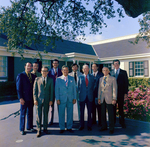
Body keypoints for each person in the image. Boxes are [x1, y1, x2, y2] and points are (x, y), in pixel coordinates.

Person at [16, 62, 36, 135]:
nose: (29, 67)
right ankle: (22, 129)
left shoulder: (33, 76)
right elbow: (18, 88)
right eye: (28, 66)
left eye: (30, 66)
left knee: (30, 113)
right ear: (25, 66)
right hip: (24, 98)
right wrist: (20, 98)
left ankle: (29, 127)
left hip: (31, 98)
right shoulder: (21, 75)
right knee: (23, 113)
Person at [33, 66, 54, 137]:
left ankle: (45, 128)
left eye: (46, 71)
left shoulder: (50, 80)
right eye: (43, 71)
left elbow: (52, 91)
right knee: (38, 115)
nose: (44, 72)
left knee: (46, 115)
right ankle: (39, 130)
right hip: (38, 100)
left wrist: (51, 100)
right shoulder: (37, 79)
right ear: (41, 72)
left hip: (47, 100)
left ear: (48, 72)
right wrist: (35, 99)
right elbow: (34, 90)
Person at [55, 65, 76, 133]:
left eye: (67, 70)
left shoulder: (72, 78)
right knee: (61, 114)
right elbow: (57, 90)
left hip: (70, 99)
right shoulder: (58, 79)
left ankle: (69, 127)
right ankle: (62, 127)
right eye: (64, 70)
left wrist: (74, 98)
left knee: (70, 113)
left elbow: (74, 89)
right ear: (62, 71)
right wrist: (57, 99)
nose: (65, 71)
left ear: (68, 71)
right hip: (61, 99)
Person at [98, 67, 117, 134]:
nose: (105, 71)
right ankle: (104, 126)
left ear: (108, 71)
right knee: (102, 114)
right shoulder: (100, 79)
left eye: (106, 70)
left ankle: (111, 128)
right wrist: (99, 98)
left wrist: (114, 98)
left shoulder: (113, 79)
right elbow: (99, 89)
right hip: (102, 99)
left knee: (110, 114)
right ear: (102, 71)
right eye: (104, 70)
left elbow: (114, 89)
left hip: (110, 99)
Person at [111, 59, 128, 128]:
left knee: (121, 109)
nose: (116, 65)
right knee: (113, 109)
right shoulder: (111, 73)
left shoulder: (123, 72)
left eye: (117, 63)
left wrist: (125, 93)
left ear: (119, 64)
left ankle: (122, 123)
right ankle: (113, 123)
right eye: (115, 64)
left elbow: (126, 83)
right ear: (113, 65)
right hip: (113, 95)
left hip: (121, 94)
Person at [77, 64, 94, 131]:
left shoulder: (92, 77)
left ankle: (89, 125)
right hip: (82, 97)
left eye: (86, 68)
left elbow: (93, 86)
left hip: (90, 96)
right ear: (82, 70)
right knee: (82, 112)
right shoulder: (80, 77)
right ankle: (82, 125)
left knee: (89, 112)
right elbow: (78, 87)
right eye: (84, 68)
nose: (85, 70)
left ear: (89, 69)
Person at [48, 59, 62, 125]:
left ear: (58, 64)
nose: (55, 64)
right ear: (52, 64)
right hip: (52, 91)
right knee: (51, 106)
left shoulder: (61, 71)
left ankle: (61, 121)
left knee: (60, 106)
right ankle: (51, 120)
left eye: (56, 63)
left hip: (59, 91)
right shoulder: (49, 72)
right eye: (54, 63)